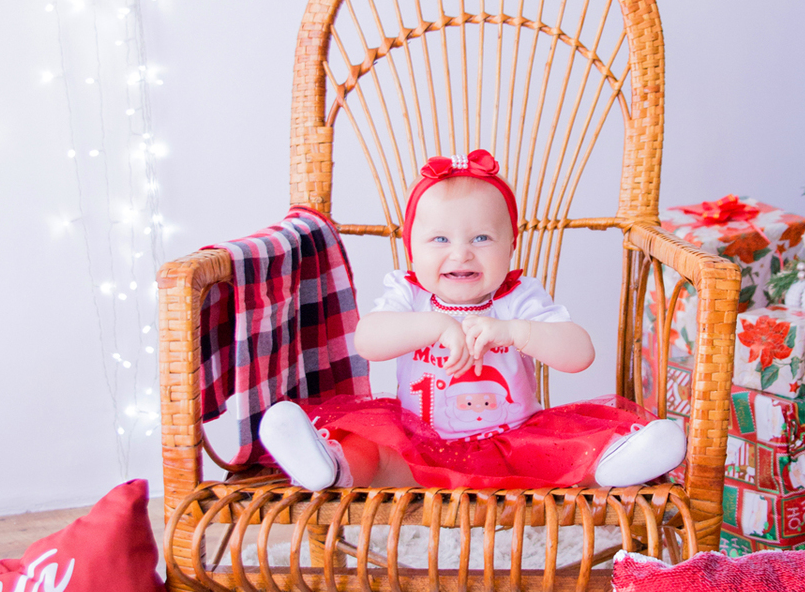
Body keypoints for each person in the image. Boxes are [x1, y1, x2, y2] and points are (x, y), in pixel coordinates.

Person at [258, 150, 686, 491]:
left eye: (482, 238)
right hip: (415, 445)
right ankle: (326, 465)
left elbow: (580, 354)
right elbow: (368, 340)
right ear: (412, 250)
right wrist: (435, 326)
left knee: (566, 451)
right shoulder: (410, 294)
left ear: (511, 246)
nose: (461, 253)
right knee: (369, 449)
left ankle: (619, 461)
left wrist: (517, 332)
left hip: (513, 444)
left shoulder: (515, 298)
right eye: (440, 239)